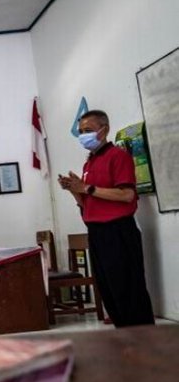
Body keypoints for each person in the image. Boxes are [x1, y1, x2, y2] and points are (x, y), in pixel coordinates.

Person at [58, 110, 155, 327]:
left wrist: (87, 188)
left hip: (118, 231)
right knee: (109, 290)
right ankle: (123, 339)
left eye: (89, 130)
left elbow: (127, 194)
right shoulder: (89, 163)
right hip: (97, 233)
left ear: (104, 129)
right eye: (81, 131)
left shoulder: (118, 156)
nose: (84, 135)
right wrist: (74, 190)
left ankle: (145, 341)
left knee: (129, 290)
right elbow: (87, 203)